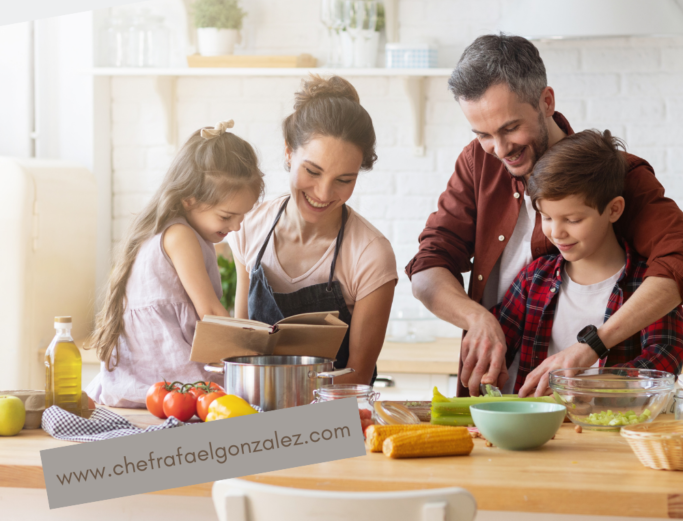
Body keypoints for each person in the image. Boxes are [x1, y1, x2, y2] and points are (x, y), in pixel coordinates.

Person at [407, 34, 683, 396]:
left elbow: (677, 259)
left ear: (546, 101)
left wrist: (592, 349)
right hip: (506, 402)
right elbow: (428, 265)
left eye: (509, 128)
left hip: (596, 412)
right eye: (483, 134)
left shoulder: (617, 175)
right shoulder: (478, 161)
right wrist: (476, 318)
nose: (500, 149)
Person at [231, 75, 397, 385]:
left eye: (344, 180)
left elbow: (358, 376)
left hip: (329, 424)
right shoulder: (249, 227)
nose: (323, 193)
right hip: (252, 415)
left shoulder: (370, 254)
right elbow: (242, 351)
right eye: (312, 171)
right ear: (289, 153)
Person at [88, 121, 264, 407]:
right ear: (189, 200)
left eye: (242, 216)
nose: (236, 226)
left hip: (145, 380)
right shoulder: (180, 235)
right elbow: (209, 311)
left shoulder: (173, 230)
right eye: (226, 216)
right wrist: (249, 356)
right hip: (167, 378)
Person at [493, 129, 683, 391]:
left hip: (614, 430)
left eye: (573, 220)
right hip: (536, 430)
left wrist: (582, 386)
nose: (556, 233)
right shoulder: (534, 278)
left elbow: (663, 362)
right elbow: (497, 344)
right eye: (546, 217)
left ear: (614, 209)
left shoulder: (647, 287)